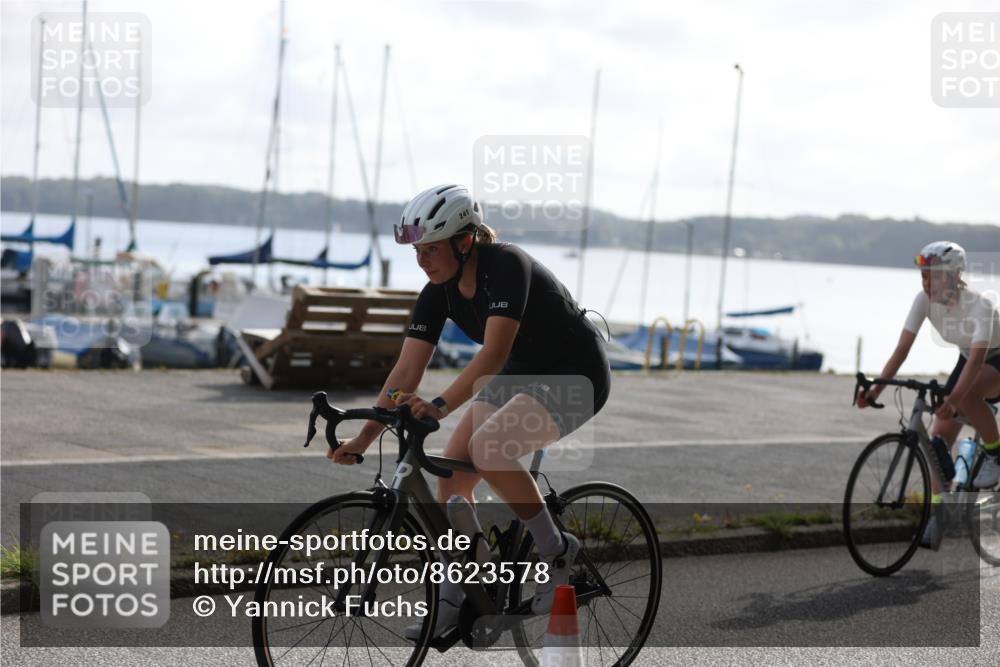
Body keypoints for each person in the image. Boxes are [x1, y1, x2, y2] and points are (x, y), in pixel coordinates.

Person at [329, 184, 611, 636]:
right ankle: (465, 589)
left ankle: (557, 550)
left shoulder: (506, 264)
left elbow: (494, 353)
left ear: (465, 242)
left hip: (575, 373)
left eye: (432, 249)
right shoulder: (437, 290)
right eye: (417, 251)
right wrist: (365, 437)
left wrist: (439, 406)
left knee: (489, 447)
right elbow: (407, 369)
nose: (422, 260)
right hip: (522, 374)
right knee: (453, 478)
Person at [857, 241, 1000, 549]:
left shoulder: (980, 306)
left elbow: (977, 361)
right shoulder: (923, 300)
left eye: (932, 276)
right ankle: (940, 514)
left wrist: (953, 399)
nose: (925, 282)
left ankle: (995, 452)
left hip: (995, 357)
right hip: (968, 359)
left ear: (953, 276)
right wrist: (874, 390)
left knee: (962, 396)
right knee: (938, 444)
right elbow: (902, 350)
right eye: (923, 275)